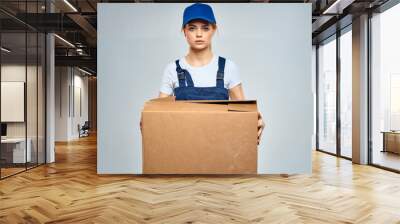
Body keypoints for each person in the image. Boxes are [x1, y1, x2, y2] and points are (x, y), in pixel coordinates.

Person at [158, 3, 265, 144]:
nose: (199, 34)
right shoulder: (172, 69)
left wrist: (256, 120)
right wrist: (148, 122)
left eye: (205, 28)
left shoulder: (228, 67)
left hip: (220, 150)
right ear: (184, 31)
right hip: (182, 149)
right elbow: (157, 114)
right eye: (192, 28)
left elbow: (244, 113)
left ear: (214, 29)